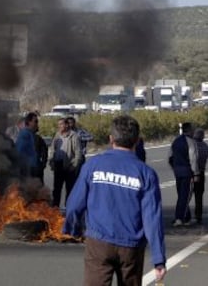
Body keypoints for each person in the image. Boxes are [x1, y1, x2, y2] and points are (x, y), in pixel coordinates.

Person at [63, 115, 166, 285]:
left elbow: (74, 205)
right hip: (131, 246)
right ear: (137, 141)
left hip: (99, 243)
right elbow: (152, 219)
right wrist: (158, 258)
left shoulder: (93, 165)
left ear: (111, 139)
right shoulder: (146, 173)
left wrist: (72, 229)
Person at [169, 122, 199, 226]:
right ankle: (179, 218)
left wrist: (175, 168)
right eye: (193, 129)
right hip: (187, 172)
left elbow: (170, 157)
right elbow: (193, 159)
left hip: (177, 171)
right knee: (185, 196)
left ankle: (187, 218)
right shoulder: (191, 142)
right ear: (189, 130)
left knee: (181, 194)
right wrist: (195, 174)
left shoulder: (176, 141)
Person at [49, 118, 82, 207]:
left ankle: (68, 210)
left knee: (70, 190)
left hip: (69, 166)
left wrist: (74, 165)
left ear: (67, 125)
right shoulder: (57, 135)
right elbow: (52, 149)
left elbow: (78, 153)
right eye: (58, 124)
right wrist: (51, 162)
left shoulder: (74, 136)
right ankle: (55, 210)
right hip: (58, 165)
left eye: (61, 124)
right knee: (56, 189)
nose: (59, 126)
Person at [15, 112, 39, 177]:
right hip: (27, 169)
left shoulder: (30, 133)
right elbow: (19, 151)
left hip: (31, 168)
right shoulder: (25, 134)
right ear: (29, 122)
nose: (37, 124)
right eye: (35, 121)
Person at [193, 128, 208, 224]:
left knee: (187, 194)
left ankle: (184, 215)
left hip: (191, 172)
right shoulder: (205, 146)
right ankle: (198, 215)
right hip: (201, 172)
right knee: (199, 195)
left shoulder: (191, 145)